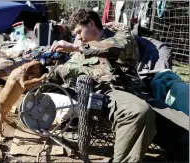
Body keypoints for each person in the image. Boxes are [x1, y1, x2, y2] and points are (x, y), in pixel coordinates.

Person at [49, 9, 156, 162]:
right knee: (138, 112)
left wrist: (76, 48)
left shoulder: (119, 34)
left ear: (92, 24)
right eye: (75, 36)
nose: (78, 38)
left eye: (79, 32)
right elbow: (58, 74)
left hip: (137, 92)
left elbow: (118, 46)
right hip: (109, 95)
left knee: (182, 129)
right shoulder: (78, 56)